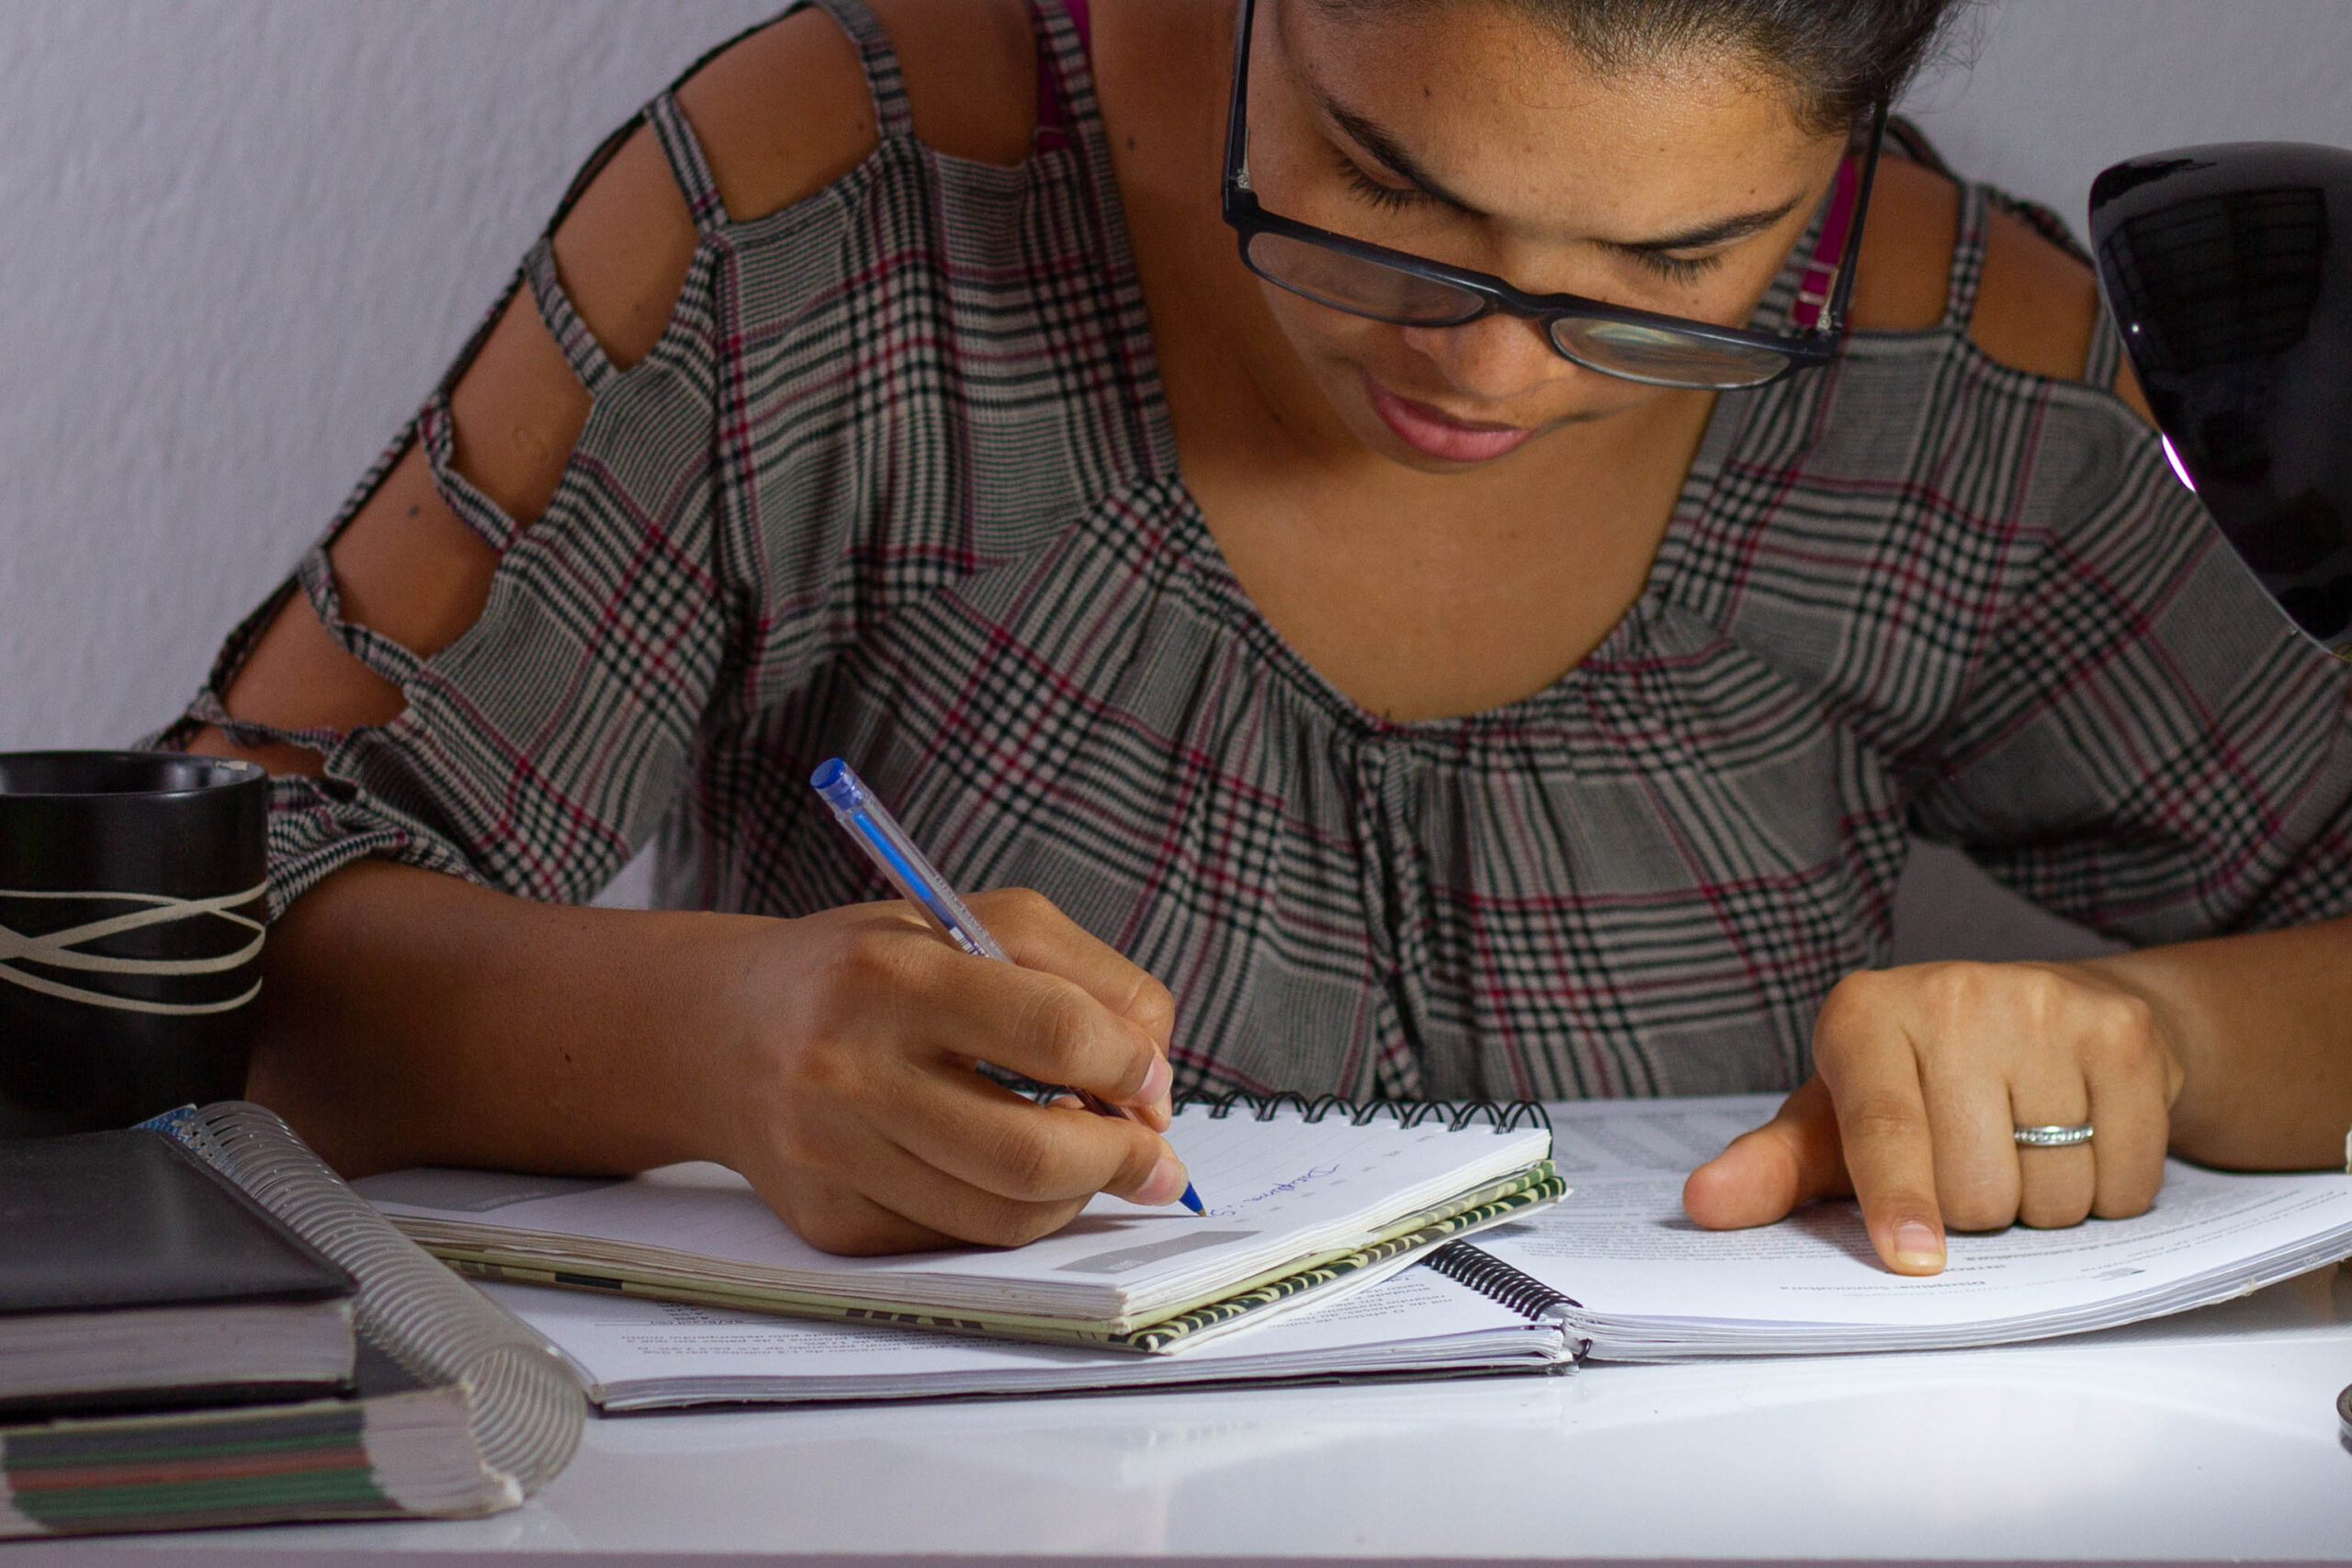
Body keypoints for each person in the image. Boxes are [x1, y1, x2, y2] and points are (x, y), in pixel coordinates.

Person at [174, 0, 2352, 1271]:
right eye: (1378, 187)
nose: (1487, 372)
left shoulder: (1956, 368)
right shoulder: (837, 212)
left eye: (1673, 265)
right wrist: (707, 1041)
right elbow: (156, 943)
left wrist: (2150, 1039)